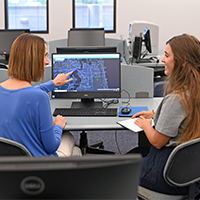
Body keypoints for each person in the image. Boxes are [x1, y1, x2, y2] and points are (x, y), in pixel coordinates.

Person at [130, 34, 200, 195]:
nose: (162, 59)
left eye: (167, 55)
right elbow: (186, 116)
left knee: (121, 165)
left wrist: (145, 125)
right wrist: (156, 114)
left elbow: (157, 141)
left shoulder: (176, 99)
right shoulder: (194, 91)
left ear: (182, 62)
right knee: (135, 153)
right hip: (190, 171)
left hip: (165, 176)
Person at [0, 33, 82, 157]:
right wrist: (59, 125)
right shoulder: (39, 97)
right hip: (40, 165)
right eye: (44, 56)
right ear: (32, 60)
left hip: (11, 166)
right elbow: (51, 146)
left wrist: (53, 83)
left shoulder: (4, 90)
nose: (47, 62)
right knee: (70, 140)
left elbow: (21, 95)